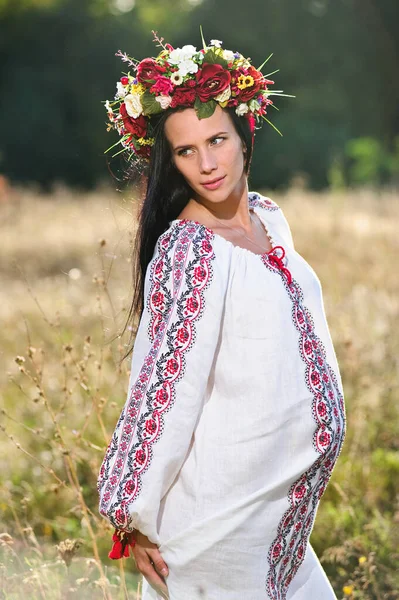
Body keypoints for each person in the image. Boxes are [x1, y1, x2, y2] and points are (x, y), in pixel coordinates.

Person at [97, 33, 346, 600]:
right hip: (217, 536)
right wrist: (132, 514)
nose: (206, 164)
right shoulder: (191, 252)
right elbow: (163, 388)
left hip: (278, 530)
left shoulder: (265, 221)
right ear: (170, 160)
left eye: (217, 140)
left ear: (245, 136)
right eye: (186, 151)